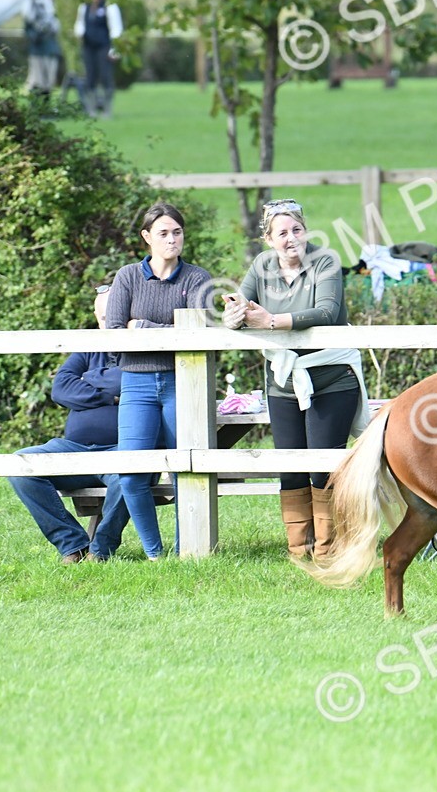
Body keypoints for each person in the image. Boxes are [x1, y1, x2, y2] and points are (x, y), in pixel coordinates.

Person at [223, 198, 368, 561]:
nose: (291, 239)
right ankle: (297, 550)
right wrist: (234, 314)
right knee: (290, 465)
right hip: (284, 380)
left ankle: (328, 549)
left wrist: (270, 321)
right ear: (268, 239)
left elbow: (326, 311)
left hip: (331, 376)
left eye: (297, 230)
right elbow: (242, 304)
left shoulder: (325, 261)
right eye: (282, 233)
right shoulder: (261, 265)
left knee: (323, 465)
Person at [106, 203, 213, 560]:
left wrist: (146, 328)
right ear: (147, 237)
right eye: (164, 233)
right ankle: (154, 552)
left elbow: (198, 331)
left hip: (182, 383)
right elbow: (115, 331)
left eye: (177, 232)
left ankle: (188, 551)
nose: (172, 239)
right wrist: (169, 331)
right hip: (135, 384)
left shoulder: (197, 278)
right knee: (132, 471)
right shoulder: (127, 277)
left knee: (186, 469)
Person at [9, 287, 129, 563]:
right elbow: (60, 389)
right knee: (20, 465)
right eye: (102, 317)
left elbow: (132, 384)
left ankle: (100, 550)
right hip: (72, 448)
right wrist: (109, 396)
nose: (108, 323)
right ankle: (73, 544)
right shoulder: (87, 348)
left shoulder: (142, 351)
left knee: (130, 478)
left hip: (120, 451)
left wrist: (89, 378)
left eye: (114, 316)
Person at [74, 0, 122, 118]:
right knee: (90, 77)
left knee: (105, 76)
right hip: (88, 47)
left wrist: (114, 49)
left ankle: (107, 109)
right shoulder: (85, 7)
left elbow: (115, 29)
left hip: (103, 46)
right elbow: (80, 26)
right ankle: (92, 109)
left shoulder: (109, 7)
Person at [22, 0, 61, 100]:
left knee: (49, 80)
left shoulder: (50, 5)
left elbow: (54, 26)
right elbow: (28, 23)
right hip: (38, 48)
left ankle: (45, 108)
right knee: (37, 80)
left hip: (50, 46)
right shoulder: (34, 2)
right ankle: (36, 109)